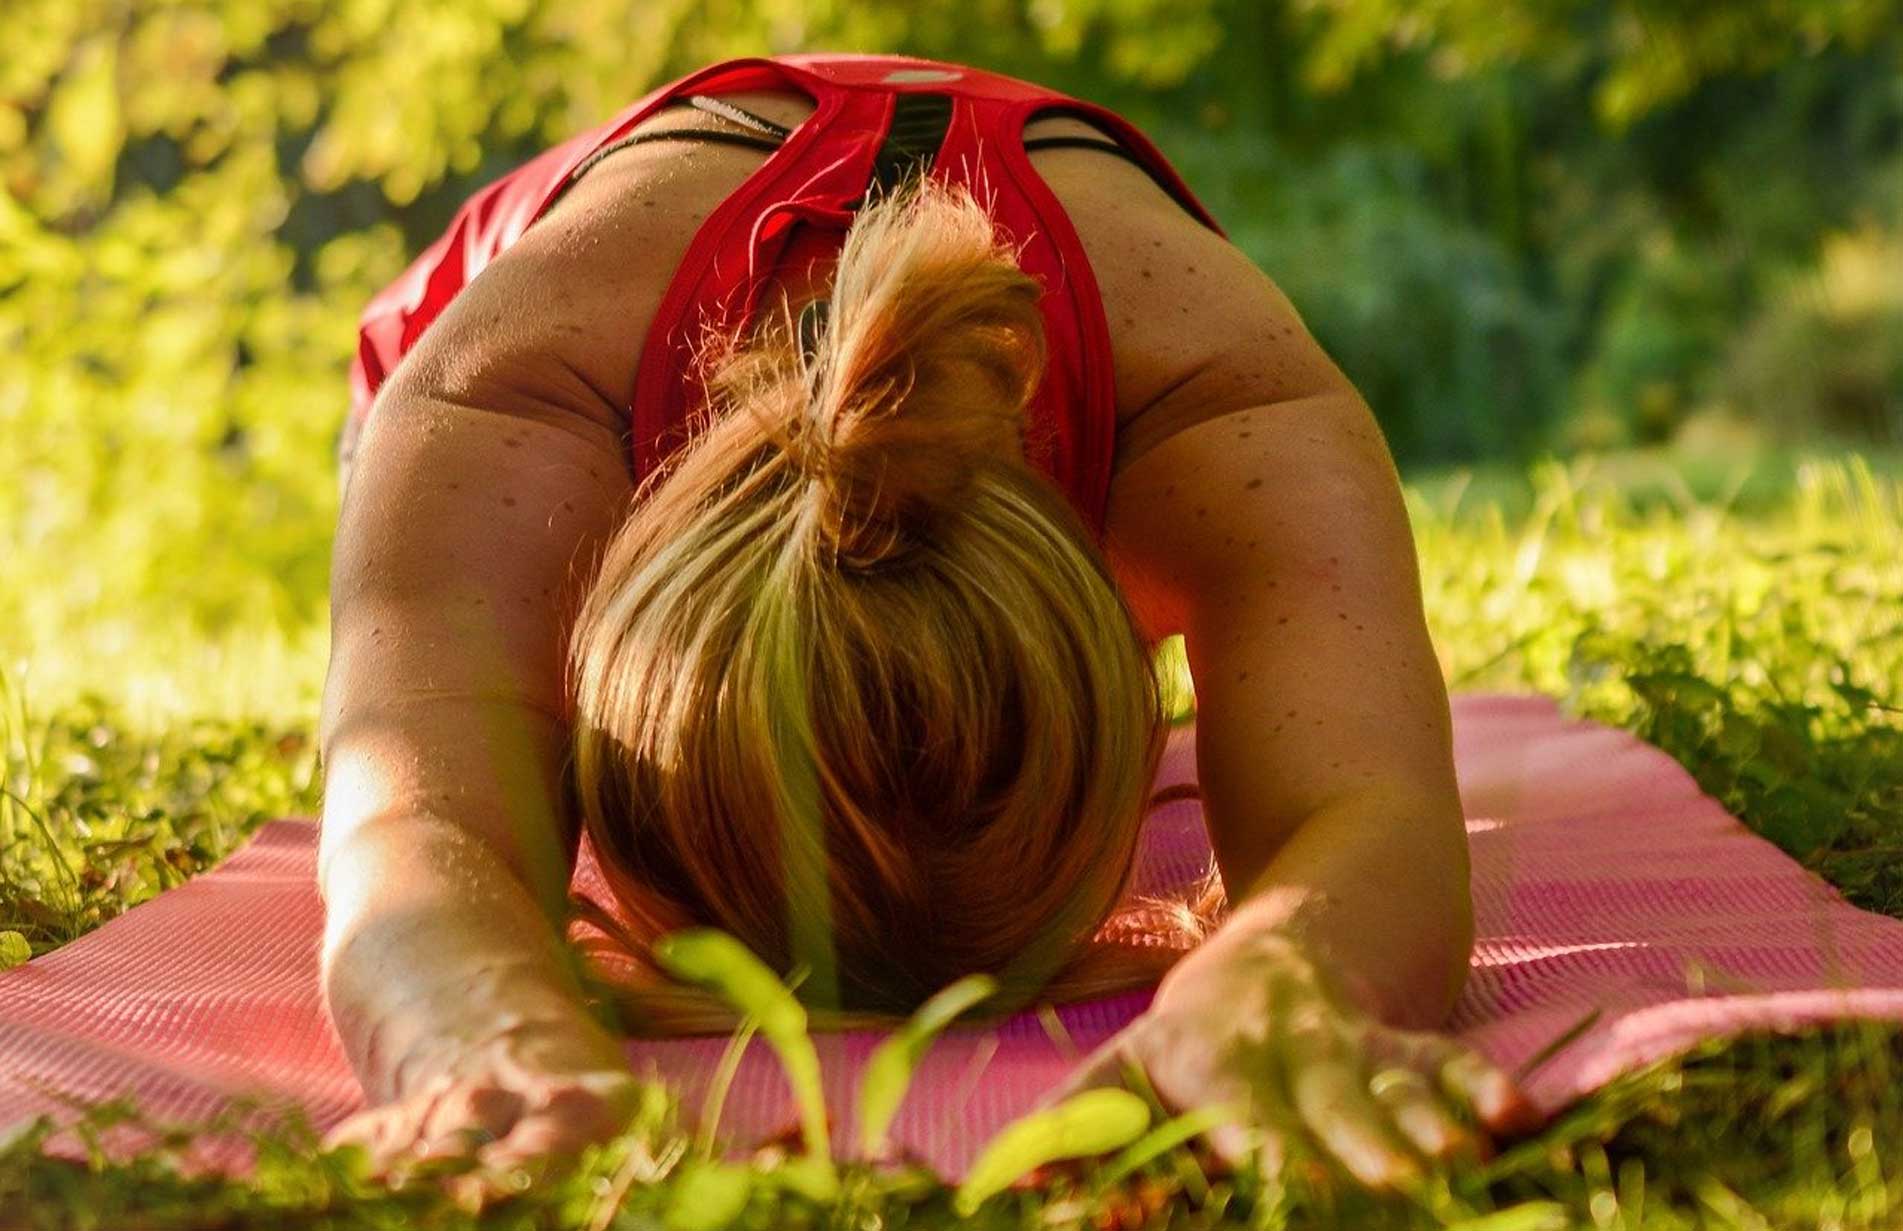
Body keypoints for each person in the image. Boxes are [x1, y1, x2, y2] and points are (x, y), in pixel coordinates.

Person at [317, 52, 1542, 1197]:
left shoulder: (1221, 405)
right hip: (525, 314)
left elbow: (1370, 811)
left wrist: (1292, 977)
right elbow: (405, 816)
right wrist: (476, 1027)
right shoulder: (510, 399)